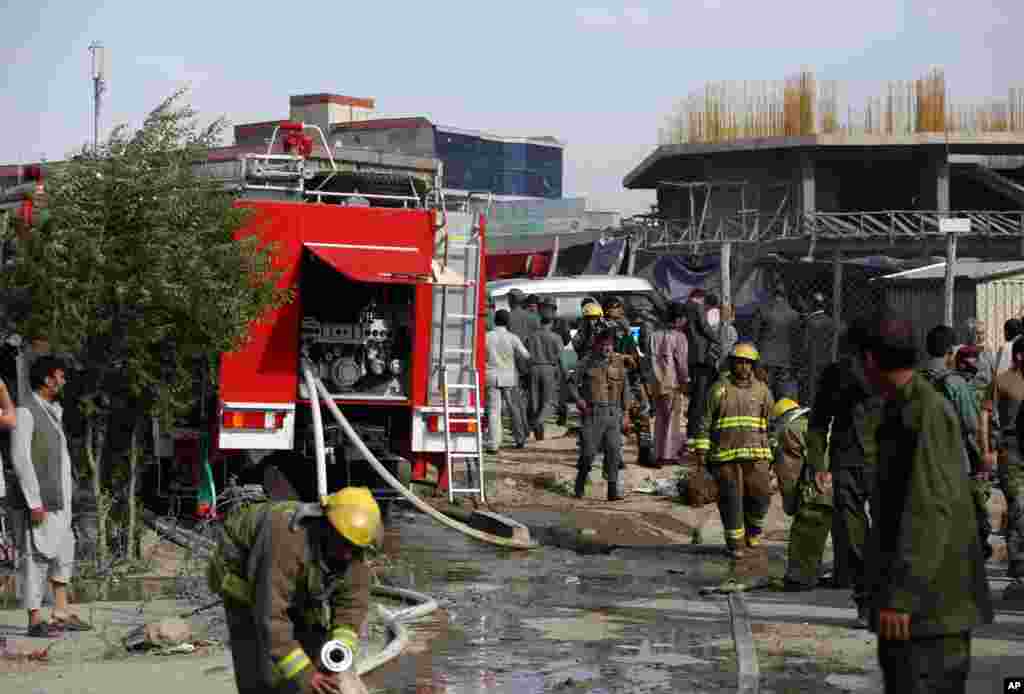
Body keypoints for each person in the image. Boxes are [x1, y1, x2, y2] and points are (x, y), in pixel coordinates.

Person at [862, 315, 993, 693]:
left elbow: (930, 510)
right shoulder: (901, 408)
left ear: (871, 361)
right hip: (918, 608)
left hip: (931, 612)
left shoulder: (925, 413)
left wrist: (902, 595)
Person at [207, 487, 379, 694]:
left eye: (354, 549)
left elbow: (351, 606)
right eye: (343, 545)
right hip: (244, 582)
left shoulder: (357, 543)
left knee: (314, 653)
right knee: (262, 670)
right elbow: (270, 616)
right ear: (326, 525)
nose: (347, 555)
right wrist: (305, 674)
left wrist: (337, 659)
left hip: (292, 581)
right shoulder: (287, 540)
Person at [8, 355, 92, 637]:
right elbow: (20, 459)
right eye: (60, 376)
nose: (63, 380)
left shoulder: (53, 411)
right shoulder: (26, 412)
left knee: (63, 552)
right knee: (36, 556)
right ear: (47, 379)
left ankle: (60, 611)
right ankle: (34, 619)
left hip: (60, 501)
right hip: (41, 502)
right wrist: (34, 502)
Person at [806, 320, 881, 627]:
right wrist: (818, 465)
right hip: (847, 461)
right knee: (853, 534)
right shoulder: (836, 375)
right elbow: (818, 422)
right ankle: (866, 603)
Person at [691, 343, 774, 559]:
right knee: (731, 501)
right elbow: (704, 422)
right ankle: (735, 543)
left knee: (762, 494)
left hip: (756, 456)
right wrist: (701, 451)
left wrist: (773, 451)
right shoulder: (719, 389)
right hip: (725, 458)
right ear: (732, 363)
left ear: (754, 366)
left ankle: (753, 531)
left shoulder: (763, 391)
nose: (744, 367)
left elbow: (771, 423)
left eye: (748, 363)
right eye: (740, 362)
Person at [920, 327, 990, 560]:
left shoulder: (914, 380)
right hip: (953, 459)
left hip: (919, 459)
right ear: (950, 352)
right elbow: (971, 423)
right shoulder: (955, 383)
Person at [771, 397, 832, 591]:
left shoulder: (789, 432)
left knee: (803, 535)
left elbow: (789, 473)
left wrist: (790, 503)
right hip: (838, 488)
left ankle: (799, 580)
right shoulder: (819, 426)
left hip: (814, 491)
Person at [981, 337, 1024, 598]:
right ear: (1019, 356)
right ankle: (1018, 573)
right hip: (1011, 451)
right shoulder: (1002, 380)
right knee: (1019, 507)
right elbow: (985, 414)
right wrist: (986, 449)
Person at [568, 328, 631, 501]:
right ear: (597, 345)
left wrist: (626, 413)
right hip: (593, 413)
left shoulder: (618, 362)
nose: (607, 348)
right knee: (588, 452)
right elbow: (571, 384)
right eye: (604, 345)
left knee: (614, 451)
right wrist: (579, 401)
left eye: (610, 345)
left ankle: (612, 490)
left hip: (613, 413)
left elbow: (625, 389)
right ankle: (579, 484)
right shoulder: (587, 362)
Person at [602, 295, 654, 468]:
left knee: (643, 414)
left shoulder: (624, 327)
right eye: (618, 307)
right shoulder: (603, 329)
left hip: (632, 378)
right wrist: (623, 357)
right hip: (615, 380)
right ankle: (615, 457)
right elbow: (604, 354)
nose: (621, 310)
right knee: (617, 418)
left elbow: (634, 352)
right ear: (608, 309)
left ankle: (645, 453)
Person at [484, 309, 530, 452]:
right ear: (508, 322)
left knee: (493, 411)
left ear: (494, 320)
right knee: (514, 409)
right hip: (509, 377)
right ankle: (520, 439)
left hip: (491, 376)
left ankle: (493, 444)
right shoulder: (512, 337)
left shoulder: (487, 336)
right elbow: (526, 355)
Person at [650, 302, 689, 467]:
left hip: (657, 383)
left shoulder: (654, 335)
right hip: (673, 382)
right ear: (679, 319)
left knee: (660, 418)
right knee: (673, 419)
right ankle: (669, 454)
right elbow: (681, 363)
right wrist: (685, 380)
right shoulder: (680, 337)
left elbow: (650, 359)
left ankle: (658, 453)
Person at [683, 289, 721, 454]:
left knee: (696, 396)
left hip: (690, 356)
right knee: (700, 396)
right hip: (700, 356)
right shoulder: (697, 308)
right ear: (700, 298)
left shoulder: (685, 307)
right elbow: (704, 327)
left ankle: (691, 432)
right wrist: (717, 339)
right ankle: (695, 433)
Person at [752, 279, 800, 399]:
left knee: (765, 391)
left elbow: (755, 334)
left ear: (773, 294)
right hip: (785, 359)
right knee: (782, 393)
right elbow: (796, 340)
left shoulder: (764, 311)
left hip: (765, 358)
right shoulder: (794, 315)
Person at [525, 315, 566, 441]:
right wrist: (565, 373)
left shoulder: (531, 337)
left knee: (535, 404)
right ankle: (537, 423)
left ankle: (539, 436)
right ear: (551, 323)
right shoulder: (556, 337)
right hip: (548, 369)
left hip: (533, 369)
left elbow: (524, 354)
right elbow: (561, 358)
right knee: (549, 402)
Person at [800, 292, 840, 408]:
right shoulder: (830, 321)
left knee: (811, 386)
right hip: (826, 358)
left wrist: (802, 359)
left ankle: (811, 408)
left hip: (812, 359)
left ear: (813, 305)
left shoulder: (810, 321)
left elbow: (805, 343)